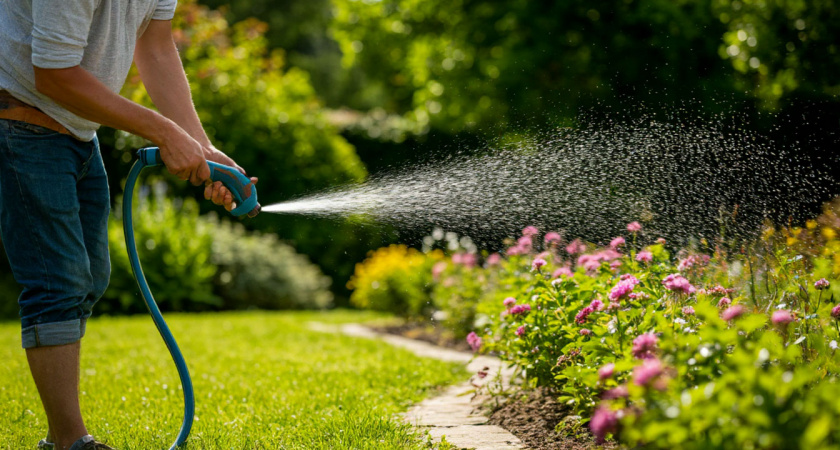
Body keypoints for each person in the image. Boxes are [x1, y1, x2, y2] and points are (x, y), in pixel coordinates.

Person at [0, 1, 258, 449]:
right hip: (20, 121)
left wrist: (201, 146)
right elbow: (53, 74)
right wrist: (162, 131)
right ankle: (69, 441)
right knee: (58, 283)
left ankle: (59, 439)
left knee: (89, 279)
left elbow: (155, 47)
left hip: (77, 132)